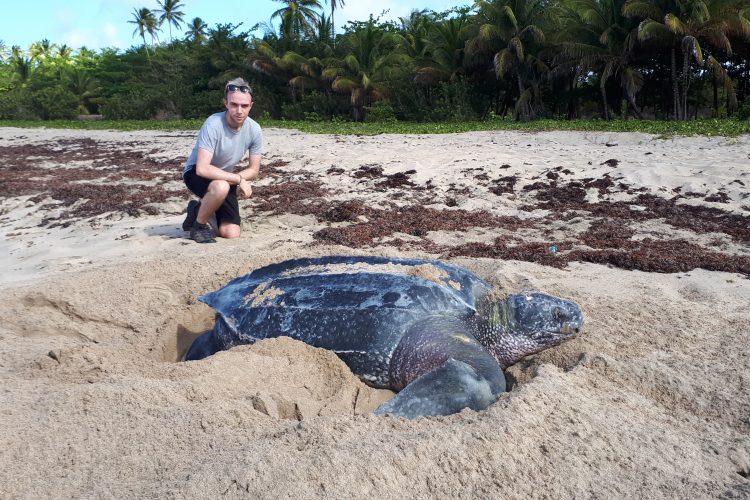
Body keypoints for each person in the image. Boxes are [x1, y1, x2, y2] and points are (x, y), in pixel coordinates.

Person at [181, 77, 263, 243]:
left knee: (231, 233)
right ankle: (199, 226)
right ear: (226, 103)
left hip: (225, 177)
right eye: (234, 105)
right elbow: (202, 169)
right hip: (196, 174)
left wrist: (237, 179)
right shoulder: (213, 124)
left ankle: (197, 210)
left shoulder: (254, 129)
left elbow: (254, 170)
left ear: (251, 106)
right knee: (221, 186)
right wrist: (239, 179)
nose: (239, 110)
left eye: (244, 106)